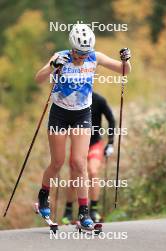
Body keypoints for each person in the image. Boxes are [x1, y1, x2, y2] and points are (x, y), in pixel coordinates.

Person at [35, 23, 131, 229]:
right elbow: (39, 79)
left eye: (85, 54)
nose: (81, 58)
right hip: (59, 114)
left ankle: (85, 213)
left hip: (82, 115)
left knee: (80, 164)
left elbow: (124, 71)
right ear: (72, 48)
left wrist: (126, 60)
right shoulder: (60, 56)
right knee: (57, 163)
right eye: (78, 54)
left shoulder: (95, 57)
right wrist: (51, 67)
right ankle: (43, 196)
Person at [62, 92, 115, 224]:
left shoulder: (99, 99)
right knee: (75, 178)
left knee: (93, 171)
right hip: (77, 145)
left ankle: (93, 210)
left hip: (94, 144)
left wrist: (110, 143)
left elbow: (111, 119)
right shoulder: (72, 99)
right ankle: (68, 211)